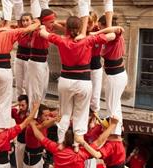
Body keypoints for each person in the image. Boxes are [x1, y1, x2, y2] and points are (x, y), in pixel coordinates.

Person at [38, 16, 118, 144]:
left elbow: (43, 33)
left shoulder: (61, 40)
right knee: (81, 113)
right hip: (83, 82)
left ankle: (61, 141)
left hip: (65, 81)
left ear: (67, 29)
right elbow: (112, 35)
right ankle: (76, 143)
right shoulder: (88, 40)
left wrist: (41, 25)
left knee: (65, 112)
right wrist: (95, 33)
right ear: (81, 28)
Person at [98, 15, 128, 136]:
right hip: (114, 76)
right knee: (115, 105)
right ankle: (118, 130)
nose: (99, 29)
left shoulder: (115, 35)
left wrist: (98, 31)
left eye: (101, 27)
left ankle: (114, 134)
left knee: (111, 107)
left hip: (116, 76)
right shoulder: (109, 38)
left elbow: (118, 29)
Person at [27, 9, 56, 108]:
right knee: (36, 91)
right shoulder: (40, 29)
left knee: (43, 89)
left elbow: (59, 24)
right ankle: (32, 115)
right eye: (51, 22)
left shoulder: (47, 27)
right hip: (36, 63)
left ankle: (39, 111)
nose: (53, 24)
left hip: (43, 62)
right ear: (44, 21)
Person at [14, 13, 33, 96]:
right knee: (18, 84)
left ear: (32, 21)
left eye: (27, 20)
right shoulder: (20, 30)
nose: (25, 23)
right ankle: (20, 103)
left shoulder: (34, 32)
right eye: (23, 21)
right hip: (18, 59)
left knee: (28, 85)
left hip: (28, 60)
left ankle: (29, 104)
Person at [12, 94, 29, 168]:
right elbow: (5, 109)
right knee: (19, 164)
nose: (21, 107)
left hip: (28, 143)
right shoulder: (16, 113)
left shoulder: (30, 115)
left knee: (27, 166)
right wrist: (16, 104)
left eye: (23, 105)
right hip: (19, 142)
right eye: (20, 105)